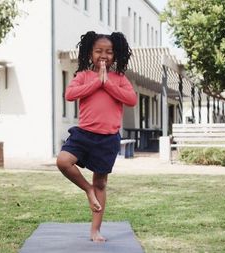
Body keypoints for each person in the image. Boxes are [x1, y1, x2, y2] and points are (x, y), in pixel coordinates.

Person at [56, 31, 137, 242]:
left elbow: (131, 100)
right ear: (89, 53)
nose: (104, 55)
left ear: (116, 54)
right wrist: (97, 82)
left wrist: (107, 83)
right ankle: (87, 190)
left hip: (108, 138)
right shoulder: (82, 75)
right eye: (99, 51)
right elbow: (70, 95)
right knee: (63, 161)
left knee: (101, 182)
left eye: (109, 52)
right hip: (84, 134)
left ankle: (95, 231)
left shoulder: (119, 78)